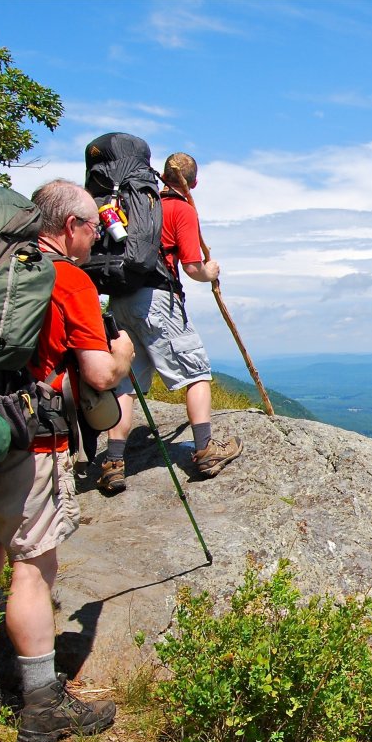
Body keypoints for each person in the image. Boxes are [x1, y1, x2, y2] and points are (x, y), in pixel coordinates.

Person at [0, 179, 135, 742]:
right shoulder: (67, 279)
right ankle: (42, 705)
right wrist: (123, 353)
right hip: (30, 441)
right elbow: (99, 376)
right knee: (33, 568)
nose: (94, 238)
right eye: (91, 228)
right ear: (72, 226)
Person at [98, 152, 241, 493]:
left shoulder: (137, 207)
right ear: (194, 182)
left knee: (128, 383)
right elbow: (193, 267)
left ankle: (113, 462)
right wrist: (212, 272)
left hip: (120, 300)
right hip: (158, 300)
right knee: (197, 372)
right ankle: (206, 449)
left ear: (161, 176)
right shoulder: (181, 209)